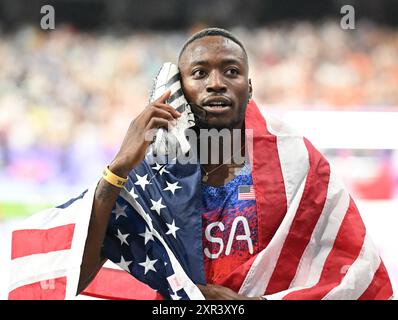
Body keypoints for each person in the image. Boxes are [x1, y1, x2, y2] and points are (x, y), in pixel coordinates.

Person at [9, 28, 393, 300]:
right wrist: (120, 167)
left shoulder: (297, 163)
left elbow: (351, 276)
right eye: (199, 73)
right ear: (180, 90)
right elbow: (71, 277)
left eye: (231, 71)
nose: (215, 83)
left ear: (249, 87)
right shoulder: (152, 173)